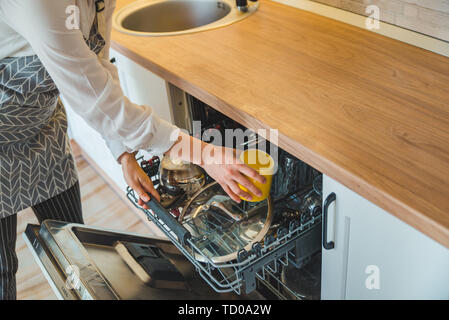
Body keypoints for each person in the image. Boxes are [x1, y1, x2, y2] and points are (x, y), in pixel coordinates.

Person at [0, 0, 265, 300]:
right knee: (3, 269)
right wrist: (205, 154)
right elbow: (97, 100)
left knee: (70, 240)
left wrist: (124, 154)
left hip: (41, 129)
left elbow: (97, 65)